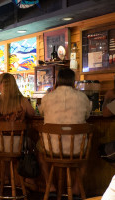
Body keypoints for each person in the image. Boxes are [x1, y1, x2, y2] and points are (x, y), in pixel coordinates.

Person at [39, 68, 91, 196]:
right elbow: (87, 115)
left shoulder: (47, 97)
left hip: (52, 150)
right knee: (87, 150)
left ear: (57, 81)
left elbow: (41, 113)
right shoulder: (83, 97)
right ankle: (76, 188)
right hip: (77, 150)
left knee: (39, 150)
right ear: (73, 81)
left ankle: (50, 186)